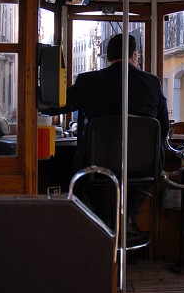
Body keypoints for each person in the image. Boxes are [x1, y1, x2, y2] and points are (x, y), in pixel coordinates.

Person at [50, 33, 169, 235]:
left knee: (87, 170)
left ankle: (105, 220)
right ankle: (127, 218)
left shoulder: (89, 82)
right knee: (146, 174)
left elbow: (55, 105)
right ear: (134, 55)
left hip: (99, 164)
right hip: (144, 166)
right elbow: (163, 127)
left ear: (107, 57)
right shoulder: (152, 83)